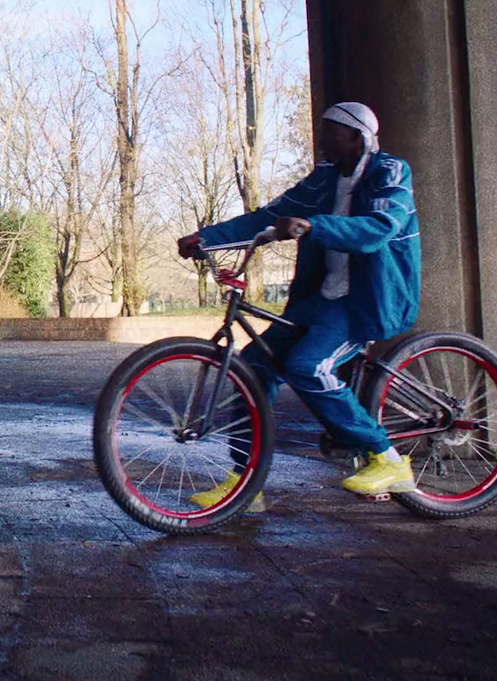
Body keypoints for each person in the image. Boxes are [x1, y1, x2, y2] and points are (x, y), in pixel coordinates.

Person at [176, 101, 421, 509]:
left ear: (356, 137)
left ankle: (387, 458)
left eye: (329, 131)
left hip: (366, 300)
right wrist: (207, 237)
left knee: (309, 366)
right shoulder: (324, 179)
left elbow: (381, 227)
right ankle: (246, 485)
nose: (321, 139)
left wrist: (313, 225)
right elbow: (271, 215)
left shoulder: (390, 172)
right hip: (322, 298)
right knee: (252, 368)